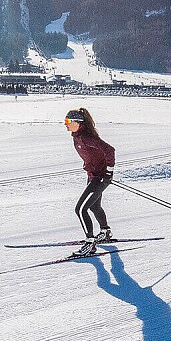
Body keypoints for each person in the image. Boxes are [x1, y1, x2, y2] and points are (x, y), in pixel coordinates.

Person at [65, 108, 116, 257]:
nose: (65, 124)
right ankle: (105, 231)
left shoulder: (87, 137)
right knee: (94, 206)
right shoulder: (77, 137)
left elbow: (110, 150)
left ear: (78, 123)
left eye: (68, 121)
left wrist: (109, 172)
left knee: (81, 209)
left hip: (100, 178)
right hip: (93, 176)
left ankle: (90, 243)